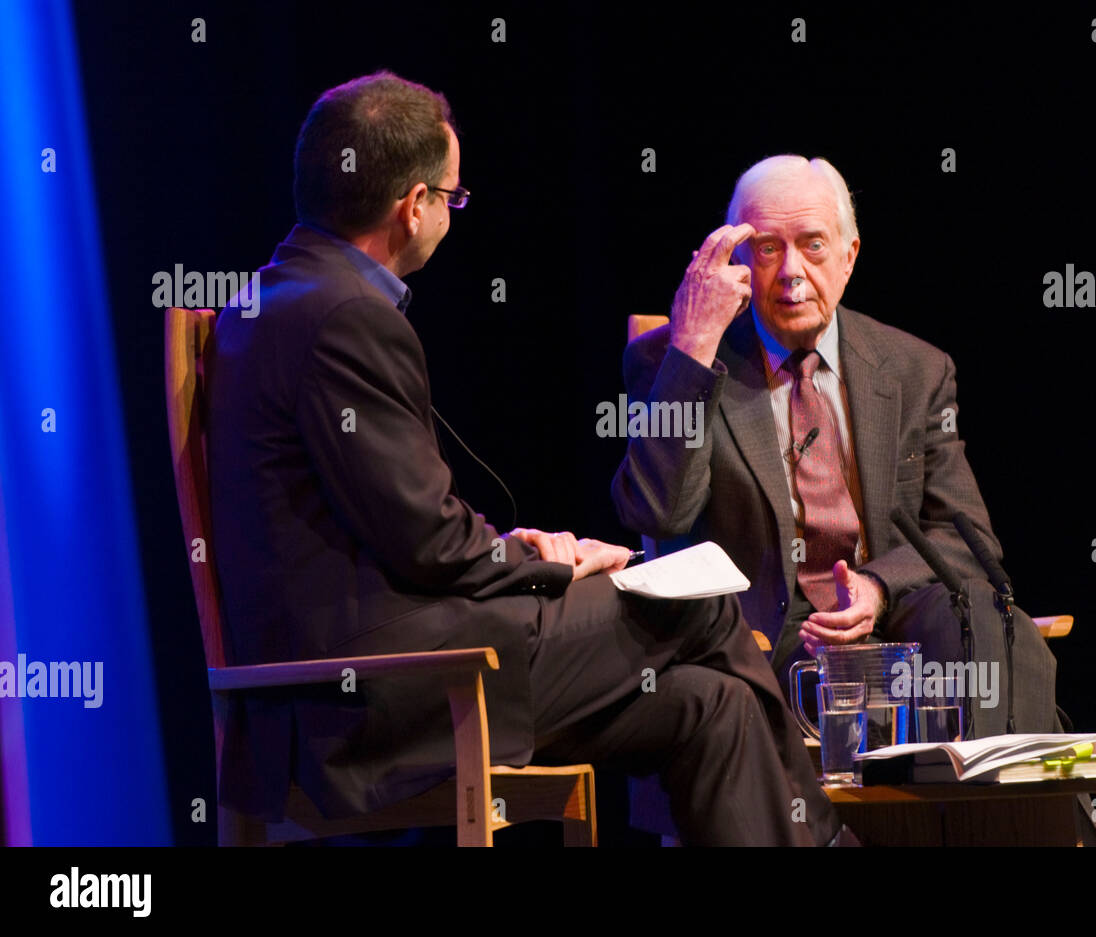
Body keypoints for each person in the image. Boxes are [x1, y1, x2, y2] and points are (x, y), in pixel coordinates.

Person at [206, 72, 845, 845]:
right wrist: (550, 567)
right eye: (452, 196)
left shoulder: (270, 298)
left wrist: (520, 547)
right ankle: (831, 838)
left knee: (716, 707)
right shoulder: (346, 318)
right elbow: (428, 543)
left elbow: (390, 517)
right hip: (385, 696)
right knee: (701, 605)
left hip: (354, 680)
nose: (451, 212)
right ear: (414, 207)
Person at [612, 155, 1059, 734]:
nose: (792, 272)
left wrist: (876, 587)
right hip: (764, 642)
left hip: (893, 620)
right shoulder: (677, 362)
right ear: (738, 262)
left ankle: (1009, 804)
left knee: (991, 624)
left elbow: (967, 540)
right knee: (867, 705)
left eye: (814, 245)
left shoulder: (914, 369)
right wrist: (694, 349)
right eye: (768, 248)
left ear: (849, 257)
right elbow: (656, 511)